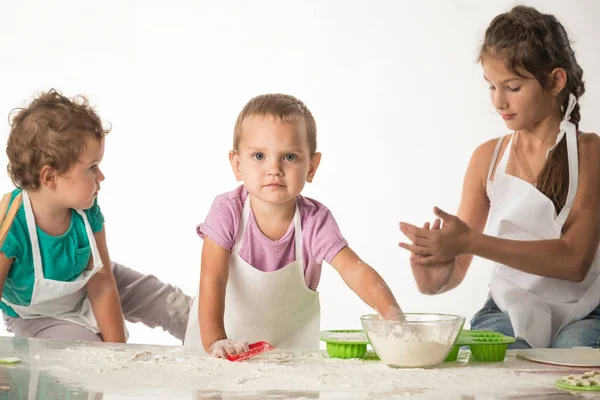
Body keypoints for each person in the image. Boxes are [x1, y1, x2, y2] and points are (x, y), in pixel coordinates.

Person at [399, 5, 600, 349]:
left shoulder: (589, 153)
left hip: (586, 311)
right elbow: (454, 271)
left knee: (575, 354)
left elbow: (575, 262)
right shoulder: (488, 158)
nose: (499, 101)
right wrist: (432, 275)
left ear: (555, 81)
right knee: (497, 359)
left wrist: (470, 242)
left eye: (512, 87)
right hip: (507, 307)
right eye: (491, 87)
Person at [184, 93, 403, 357]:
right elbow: (213, 278)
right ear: (238, 164)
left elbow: (355, 270)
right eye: (259, 156)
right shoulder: (227, 211)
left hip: (287, 362)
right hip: (218, 356)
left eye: (289, 157)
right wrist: (216, 341)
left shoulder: (315, 222)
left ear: (311, 166)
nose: (274, 168)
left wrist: (393, 316)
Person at [0, 89, 190, 342]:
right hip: (35, 316)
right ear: (50, 176)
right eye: (91, 167)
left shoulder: (86, 208)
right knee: (87, 351)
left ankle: (229, 338)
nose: (101, 177)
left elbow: (102, 283)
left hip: (96, 282)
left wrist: (116, 350)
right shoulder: (10, 220)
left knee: (174, 305)